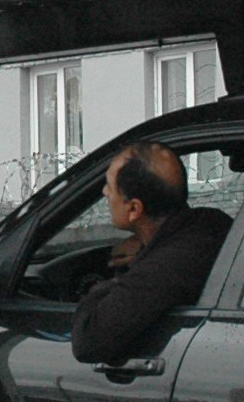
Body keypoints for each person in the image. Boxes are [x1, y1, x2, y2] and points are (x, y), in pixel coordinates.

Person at [69, 141, 234, 364]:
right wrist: (145, 249)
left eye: (109, 186)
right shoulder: (212, 223)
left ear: (134, 209)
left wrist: (104, 286)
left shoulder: (165, 267)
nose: (104, 192)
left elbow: (88, 342)